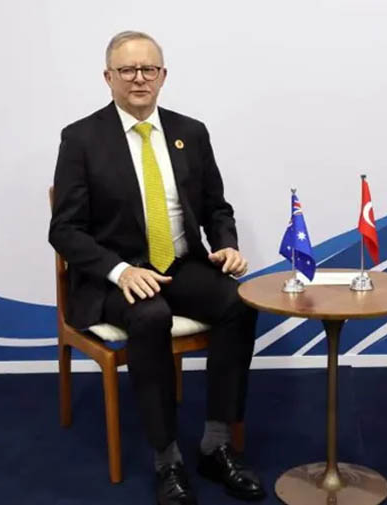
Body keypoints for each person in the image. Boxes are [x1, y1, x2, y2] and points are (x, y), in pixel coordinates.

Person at [49, 31, 265, 505]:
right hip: (115, 275)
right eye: (128, 70)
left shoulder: (192, 131)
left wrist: (226, 245)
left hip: (179, 264)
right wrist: (119, 271)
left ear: (164, 75)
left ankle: (216, 443)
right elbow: (64, 231)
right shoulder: (81, 139)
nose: (139, 79)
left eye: (149, 69)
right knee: (151, 317)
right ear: (108, 78)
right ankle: (166, 456)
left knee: (238, 304)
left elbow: (216, 207)